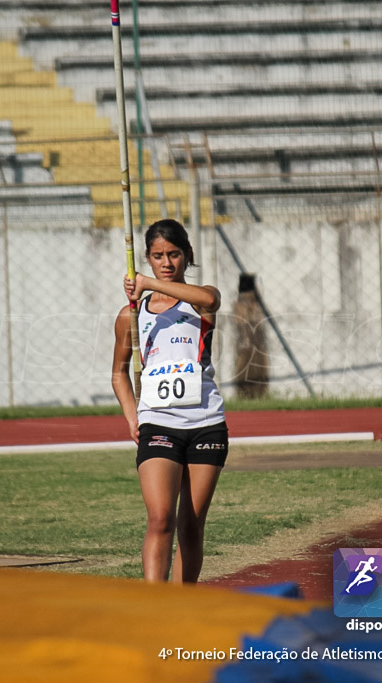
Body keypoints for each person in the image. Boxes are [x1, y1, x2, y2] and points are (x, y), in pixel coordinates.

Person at [111, 218, 228, 584]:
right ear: (147, 258)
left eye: (174, 254)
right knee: (161, 517)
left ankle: (182, 605)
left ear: (187, 255)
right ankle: (154, 605)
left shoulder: (201, 301)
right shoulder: (132, 315)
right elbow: (119, 373)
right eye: (158, 256)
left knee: (191, 525)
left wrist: (148, 284)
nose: (166, 262)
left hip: (206, 422)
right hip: (159, 423)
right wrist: (133, 418)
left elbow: (210, 299)